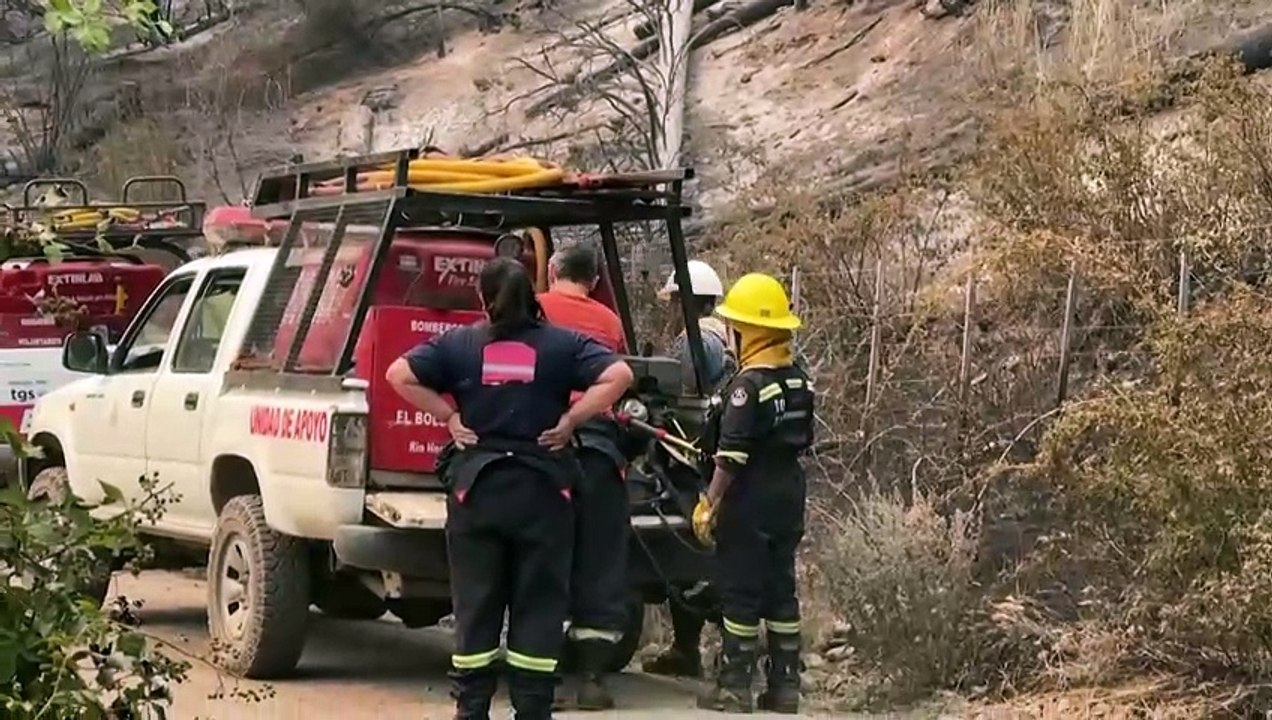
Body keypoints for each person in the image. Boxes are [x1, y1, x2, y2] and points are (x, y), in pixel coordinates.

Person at [386, 257, 634, 720]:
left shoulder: (459, 344)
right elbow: (620, 376)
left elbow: (397, 374)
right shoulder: (562, 346)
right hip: (544, 494)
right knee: (539, 604)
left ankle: (472, 708)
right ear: (533, 297)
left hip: (477, 493)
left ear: (484, 298)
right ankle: (533, 709)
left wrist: (449, 417)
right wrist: (572, 420)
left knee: (476, 605)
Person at [692, 272, 814, 714]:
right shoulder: (800, 380)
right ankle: (785, 688)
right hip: (789, 492)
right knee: (781, 589)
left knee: (740, 589)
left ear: (750, 332)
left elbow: (731, 456)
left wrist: (709, 503)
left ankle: (734, 687)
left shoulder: (747, 387)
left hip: (751, 494)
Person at [537, 244, 628, 710]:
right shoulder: (610, 323)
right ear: (594, 281)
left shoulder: (537, 309)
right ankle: (592, 678)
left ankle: (543, 677)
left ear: (552, 271)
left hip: (546, 450)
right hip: (600, 453)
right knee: (599, 561)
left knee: (543, 561)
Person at [642, 258, 735, 680]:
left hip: (689, 457)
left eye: (676, 299)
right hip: (713, 456)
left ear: (685, 301)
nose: (672, 306)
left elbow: (677, 391)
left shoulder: (695, 342)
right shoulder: (726, 334)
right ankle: (693, 649)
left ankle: (690, 648)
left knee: (685, 550)